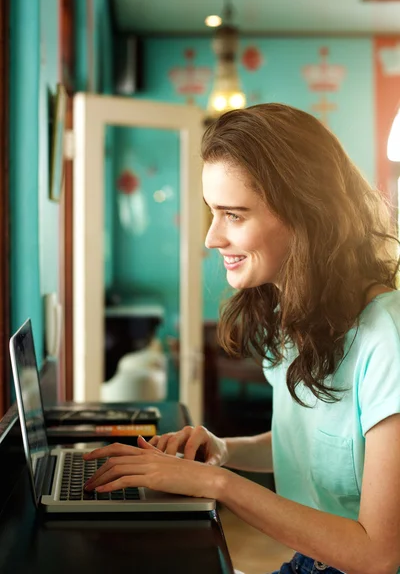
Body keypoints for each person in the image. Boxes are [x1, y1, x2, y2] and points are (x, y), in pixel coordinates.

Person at [83, 103, 400, 574]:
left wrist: (216, 483)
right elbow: (320, 445)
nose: (212, 238)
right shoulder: (295, 313)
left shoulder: (387, 339)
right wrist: (226, 450)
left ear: (307, 215)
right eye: (214, 212)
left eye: (233, 215)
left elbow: (378, 554)